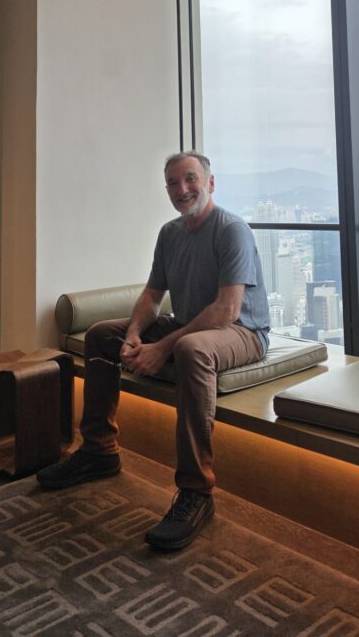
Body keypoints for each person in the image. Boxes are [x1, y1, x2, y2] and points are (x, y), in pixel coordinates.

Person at [37, 152, 270, 551]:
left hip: (242, 331)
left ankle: (197, 491)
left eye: (191, 179)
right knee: (101, 336)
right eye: (173, 183)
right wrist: (133, 334)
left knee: (192, 349)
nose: (183, 189)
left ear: (210, 183)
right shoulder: (170, 233)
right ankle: (98, 450)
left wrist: (162, 348)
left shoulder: (231, 230)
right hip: (190, 324)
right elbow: (152, 295)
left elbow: (227, 309)